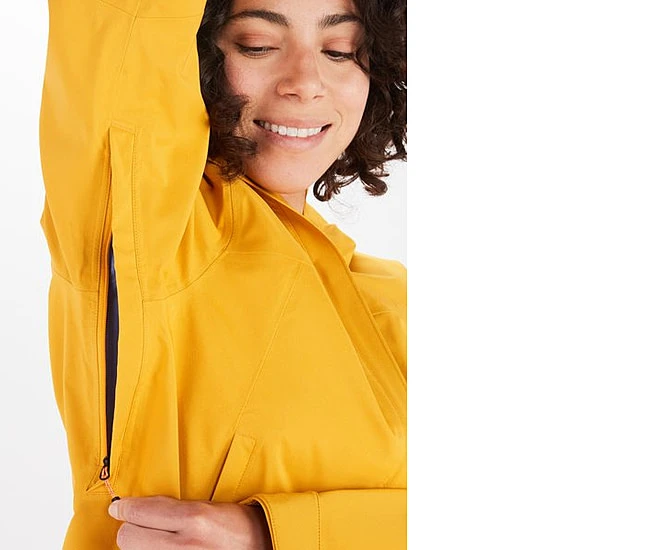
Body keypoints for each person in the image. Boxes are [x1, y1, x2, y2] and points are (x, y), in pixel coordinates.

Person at [38, 0, 406, 547]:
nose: (306, 82)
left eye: (339, 51)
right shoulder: (156, 232)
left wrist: (270, 533)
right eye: (258, 45)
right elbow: (123, 37)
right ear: (196, 54)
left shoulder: (396, 297)